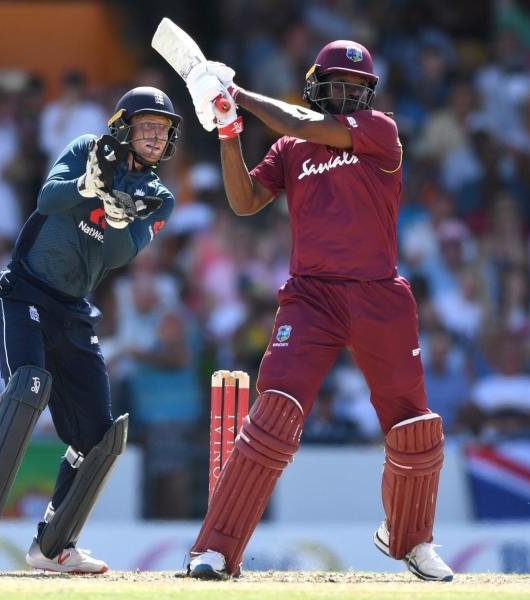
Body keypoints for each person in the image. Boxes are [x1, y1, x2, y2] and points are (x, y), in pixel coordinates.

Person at [181, 41, 453, 581]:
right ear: (316, 84)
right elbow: (243, 201)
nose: (349, 95)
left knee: (413, 424)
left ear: (370, 94)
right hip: (311, 297)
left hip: (379, 294)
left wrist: (237, 93)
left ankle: (413, 541)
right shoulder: (289, 148)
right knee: (275, 412)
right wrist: (230, 130)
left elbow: (304, 124)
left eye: (357, 88)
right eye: (339, 84)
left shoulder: (380, 131)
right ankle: (213, 551)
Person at [0, 86, 180, 574]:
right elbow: (47, 197)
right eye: (146, 125)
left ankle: (54, 546)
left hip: (74, 312)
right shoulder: (85, 150)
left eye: (162, 130)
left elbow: (121, 255)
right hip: (23, 293)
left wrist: (120, 216)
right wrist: (89, 188)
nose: (155, 136)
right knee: (29, 383)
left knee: (100, 434)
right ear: (122, 125)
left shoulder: (159, 197)